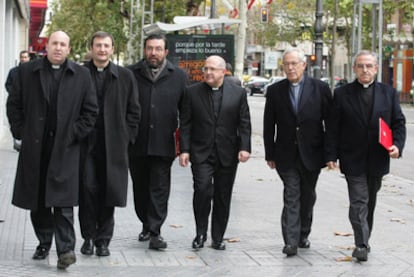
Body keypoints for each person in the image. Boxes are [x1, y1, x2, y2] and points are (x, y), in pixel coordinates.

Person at [6, 31, 98, 269]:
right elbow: (13, 104)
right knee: (37, 201)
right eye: (54, 43)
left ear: (69, 49)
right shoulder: (27, 72)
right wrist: (20, 132)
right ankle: (44, 241)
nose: (58, 48)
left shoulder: (81, 75)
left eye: (63, 44)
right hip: (36, 148)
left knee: (64, 202)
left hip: (65, 149)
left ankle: (66, 249)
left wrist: (74, 134)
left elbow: (90, 112)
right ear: (47, 46)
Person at [326, 50, 406, 262]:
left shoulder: (388, 93)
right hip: (352, 157)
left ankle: (365, 237)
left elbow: (398, 123)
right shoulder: (342, 94)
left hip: (378, 157)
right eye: (361, 66)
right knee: (358, 201)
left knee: (369, 202)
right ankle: (360, 244)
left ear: (376, 69)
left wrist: (397, 146)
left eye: (369, 66)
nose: (365, 70)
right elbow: (333, 127)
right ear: (354, 69)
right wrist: (331, 155)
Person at [263, 48, 332, 257]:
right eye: (286, 64)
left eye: (294, 63)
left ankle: (303, 233)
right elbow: (268, 124)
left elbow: (330, 123)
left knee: (307, 196)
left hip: (312, 152)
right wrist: (269, 153)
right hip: (285, 154)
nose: (290, 67)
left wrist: (330, 155)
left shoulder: (320, 89)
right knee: (291, 194)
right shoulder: (275, 91)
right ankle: (290, 241)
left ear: (304, 65)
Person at [179, 55, 251, 251]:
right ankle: (200, 232)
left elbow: (244, 122)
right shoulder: (192, 93)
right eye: (205, 69)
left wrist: (245, 147)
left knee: (223, 195)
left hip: (227, 153)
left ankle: (218, 237)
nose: (208, 72)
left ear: (223, 72)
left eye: (212, 69)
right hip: (201, 153)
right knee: (202, 190)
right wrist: (184, 150)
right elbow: (185, 124)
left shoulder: (238, 93)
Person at [79, 31, 140, 257]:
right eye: (98, 45)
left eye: (106, 46)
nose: (102, 49)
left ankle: (103, 241)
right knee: (87, 191)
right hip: (86, 144)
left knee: (109, 192)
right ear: (92, 48)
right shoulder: (80, 73)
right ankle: (87, 237)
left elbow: (134, 111)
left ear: (112, 49)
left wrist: (127, 138)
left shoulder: (125, 76)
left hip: (114, 145)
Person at [127, 33, 188, 250]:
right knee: (140, 188)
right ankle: (146, 223)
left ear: (166, 52)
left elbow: (186, 114)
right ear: (144, 50)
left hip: (164, 144)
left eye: (158, 49)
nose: (154, 53)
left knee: (160, 189)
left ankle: (155, 231)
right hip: (136, 143)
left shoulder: (179, 76)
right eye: (150, 48)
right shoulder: (130, 73)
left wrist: (185, 147)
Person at [4, 50, 31, 152]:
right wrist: (14, 94)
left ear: (29, 58)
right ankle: (17, 141)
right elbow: (8, 84)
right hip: (16, 102)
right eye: (22, 57)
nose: (24, 59)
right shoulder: (14, 71)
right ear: (20, 58)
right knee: (17, 121)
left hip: (28, 103)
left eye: (25, 57)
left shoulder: (33, 72)